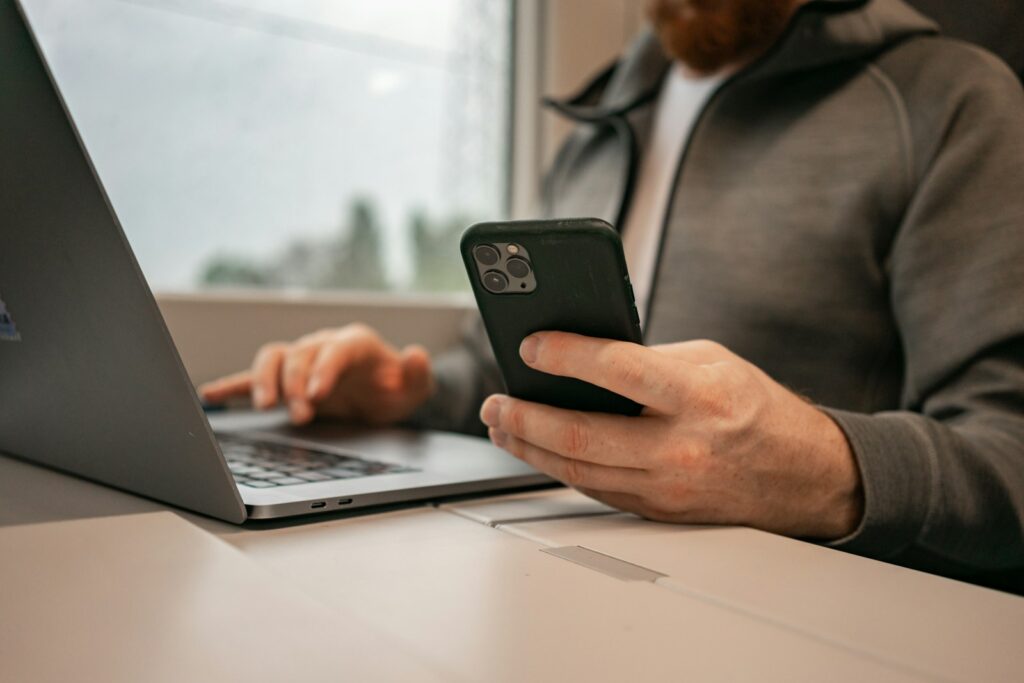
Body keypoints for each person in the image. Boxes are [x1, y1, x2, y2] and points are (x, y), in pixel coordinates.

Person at [201, 0, 1024, 585]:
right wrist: (411, 387)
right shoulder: (600, 121)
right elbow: (507, 377)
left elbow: (1010, 454)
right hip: (556, 575)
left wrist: (820, 469)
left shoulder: (950, 101)